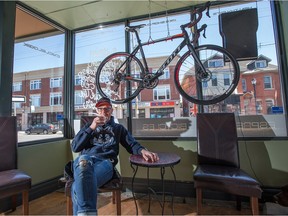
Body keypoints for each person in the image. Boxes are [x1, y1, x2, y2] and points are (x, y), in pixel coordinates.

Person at [71, 97, 159, 215]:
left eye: (107, 109)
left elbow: (131, 144)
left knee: (77, 187)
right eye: (100, 109)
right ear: (97, 111)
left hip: (105, 163)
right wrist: (92, 127)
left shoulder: (118, 129)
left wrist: (143, 151)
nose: (103, 112)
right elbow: (75, 147)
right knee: (83, 161)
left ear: (111, 111)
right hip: (85, 163)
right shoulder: (88, 127)